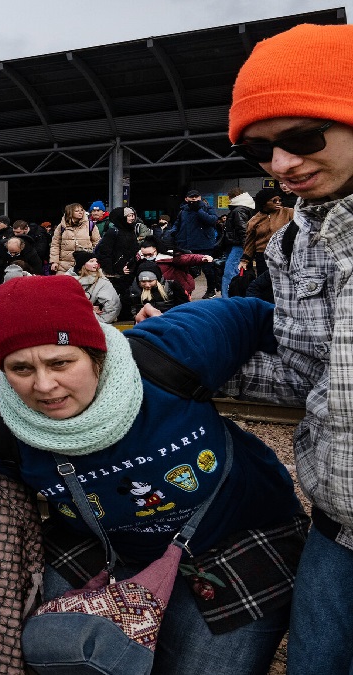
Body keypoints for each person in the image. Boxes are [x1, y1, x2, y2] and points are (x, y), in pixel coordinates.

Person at [0, 275, 305, 672]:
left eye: (61, 362)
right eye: (20, 368)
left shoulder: (173, 349)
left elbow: (262, 318)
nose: (45, 385)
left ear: (96, 353)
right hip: (110, 550)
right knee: (49, 651)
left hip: (237, 534)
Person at [219, 24, 353, 673]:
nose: (282, 165)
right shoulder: (294, 240)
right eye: (260, 150)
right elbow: (305, 374)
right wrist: (182, 362)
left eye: (302, 138)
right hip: (338, 524)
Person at [170, 190, 222, 297]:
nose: (194, 198)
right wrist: (173, 232)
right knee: (186, 271)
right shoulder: (183, 211)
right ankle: (184, 291)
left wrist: (199, 210)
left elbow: (212, 220)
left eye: (196, 196)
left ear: (200, 197)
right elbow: (177, 224)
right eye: (191, 197)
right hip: (186, 245)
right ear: (186, 199)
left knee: (208, 269)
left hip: (204, 245)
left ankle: (211, 290)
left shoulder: (207, 208)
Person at [239, 187, 293, 278]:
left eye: (279, 200)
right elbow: (250, 242)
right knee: (265, 283)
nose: (278, 202)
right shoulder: (254, 220)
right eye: (274, 200)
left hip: (285, 255)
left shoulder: (289, 213)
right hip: (263, 256)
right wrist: (245, 260)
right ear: (264, 203)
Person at [69, 250, 121, 323]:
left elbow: (112, 306)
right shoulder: (66, 281)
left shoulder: (102, 282)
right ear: (82, 264)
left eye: (96, 261)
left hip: (90, 321)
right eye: (91, 261)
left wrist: (97, 319)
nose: (96, 263)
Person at [49, 203, 100, 273]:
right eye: (77, 211)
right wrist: (54, 261)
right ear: (70, 213)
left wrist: (95, 260)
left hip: (85, 265)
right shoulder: (61, 226)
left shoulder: (90, 225)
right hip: (64, 265)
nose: (80, 212)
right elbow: (55, 245)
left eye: (81, 210)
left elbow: (97, 244)